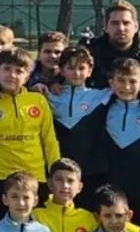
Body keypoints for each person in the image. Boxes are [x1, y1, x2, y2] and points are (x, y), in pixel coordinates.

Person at [0, 48, 59, 220]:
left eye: (19, 71)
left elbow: (50, 142)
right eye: (7, 69)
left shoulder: (38, 101)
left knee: (36, 230)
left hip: (36, 177)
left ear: (27, 77)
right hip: (0, 179)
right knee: (4, 231)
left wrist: (55, 177)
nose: (12, 75)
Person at [90, 58, 140, 225]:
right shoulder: (102, 109)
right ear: (111, 83)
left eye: (132, 81)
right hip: (110, 182)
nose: (127, 87)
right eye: (121, 81)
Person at [47, 47, 110, 203]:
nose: (76, 73)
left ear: (90, 71)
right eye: (71, 68)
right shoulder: (48, 96)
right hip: (58, 170)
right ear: (61, 70)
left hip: (90, 171)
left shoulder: (101, 96)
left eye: (81, 68)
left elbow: (134, 89)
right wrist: (43, 82)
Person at [82, 0, 140, 100]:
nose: (121, 28)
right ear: (105, 27)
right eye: (115, 23)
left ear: (135, 26)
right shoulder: (89, 59)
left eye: (126, 23)